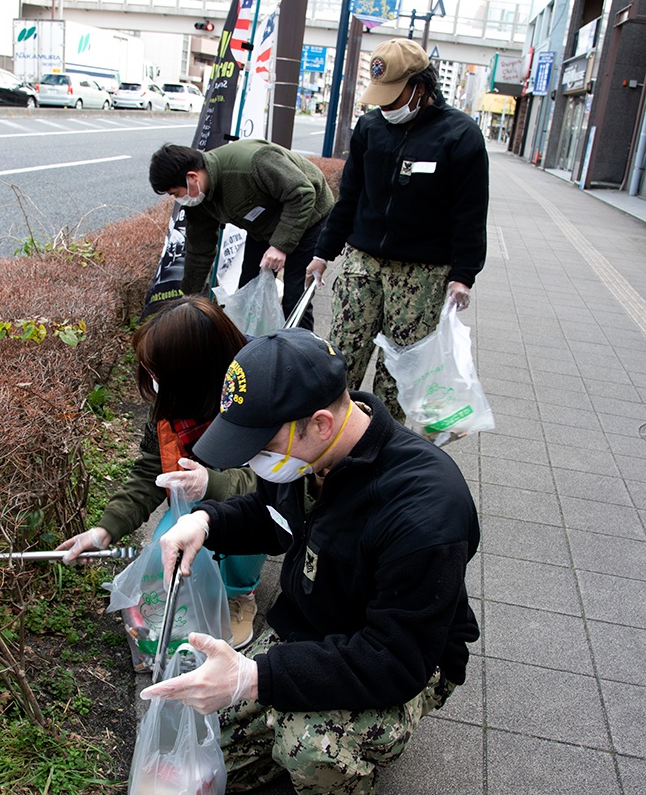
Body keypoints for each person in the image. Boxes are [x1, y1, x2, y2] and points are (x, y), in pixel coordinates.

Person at [142, 329, 480, 795]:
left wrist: (254, 679)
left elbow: (394, 662)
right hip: (312, 630)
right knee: (206, 742)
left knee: (306, 744)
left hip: (399, 660)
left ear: (320, 422)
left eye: (261, 442)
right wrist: (207, 523)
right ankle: (289, 733)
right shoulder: (311, 456)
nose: (254, 461)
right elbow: (273, 514)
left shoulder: (425, 509)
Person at [57, 296, 264, 650]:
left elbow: (275, 485)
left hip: (255, 505)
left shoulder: (258, 399)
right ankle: (201, 587)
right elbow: (151, 470)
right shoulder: (171, 403)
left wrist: (211, 483)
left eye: (158, 373)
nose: (153, 381)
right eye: (151, 371)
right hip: (195, 502)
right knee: (167, 546)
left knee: (247, 530)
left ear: (194, 372)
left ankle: (239, 593)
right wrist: (106, 529)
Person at [306, 38, 489, 423]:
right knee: (342, 354)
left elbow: (470, 212)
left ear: (420, 88)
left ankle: (382, 451)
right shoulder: (371, 127)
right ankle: (331, 438)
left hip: (421, 275)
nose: (385, 107)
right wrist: (323, 253)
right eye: (380, 98)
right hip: (362, 262)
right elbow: (350, 196)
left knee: (399, 369)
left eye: (392, 97)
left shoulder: (459, 135)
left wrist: (462, 276)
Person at [149, 139, 334, 328]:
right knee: (248, 290)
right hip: (264, 227)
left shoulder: (253, 163)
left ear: (192, 177)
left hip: (310, 216)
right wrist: (188, 298)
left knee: (294, 298)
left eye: (175, 193)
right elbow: (199, 250)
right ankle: (254, 345)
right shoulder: (198, 200)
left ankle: (303, 351)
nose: (178, 199)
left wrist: (280, 245)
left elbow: (302, 193)